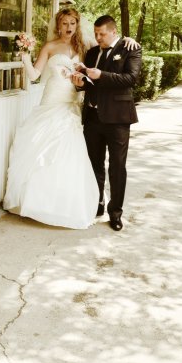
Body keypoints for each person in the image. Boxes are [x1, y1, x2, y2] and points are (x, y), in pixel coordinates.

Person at [3, 7, 138, 229]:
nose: (68, 27)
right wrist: (25, 58)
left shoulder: (85, 47)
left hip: (73, 103)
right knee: (46, 150)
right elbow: (35, 75)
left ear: (77, 25)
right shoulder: (50, 46)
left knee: (73, 153)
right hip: (52, 100)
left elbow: (110, 46)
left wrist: (127, 40)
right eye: (64, 23)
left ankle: (86, 206)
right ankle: (39, 201)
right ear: (58, 25)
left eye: (72, 23)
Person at [71, 15, 142, 232]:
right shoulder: (92, 52)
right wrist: (79, 83)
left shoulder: (131, 48)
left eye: (102, 34)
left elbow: (130, 79)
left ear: (113, 31)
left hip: (118, 119)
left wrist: (102, 74)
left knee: (117, 167)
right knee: (94, 164)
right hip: (93, 118)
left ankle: (116, 213)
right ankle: (97, 203)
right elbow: (89, 83)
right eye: (96, 33)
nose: (98, 38)